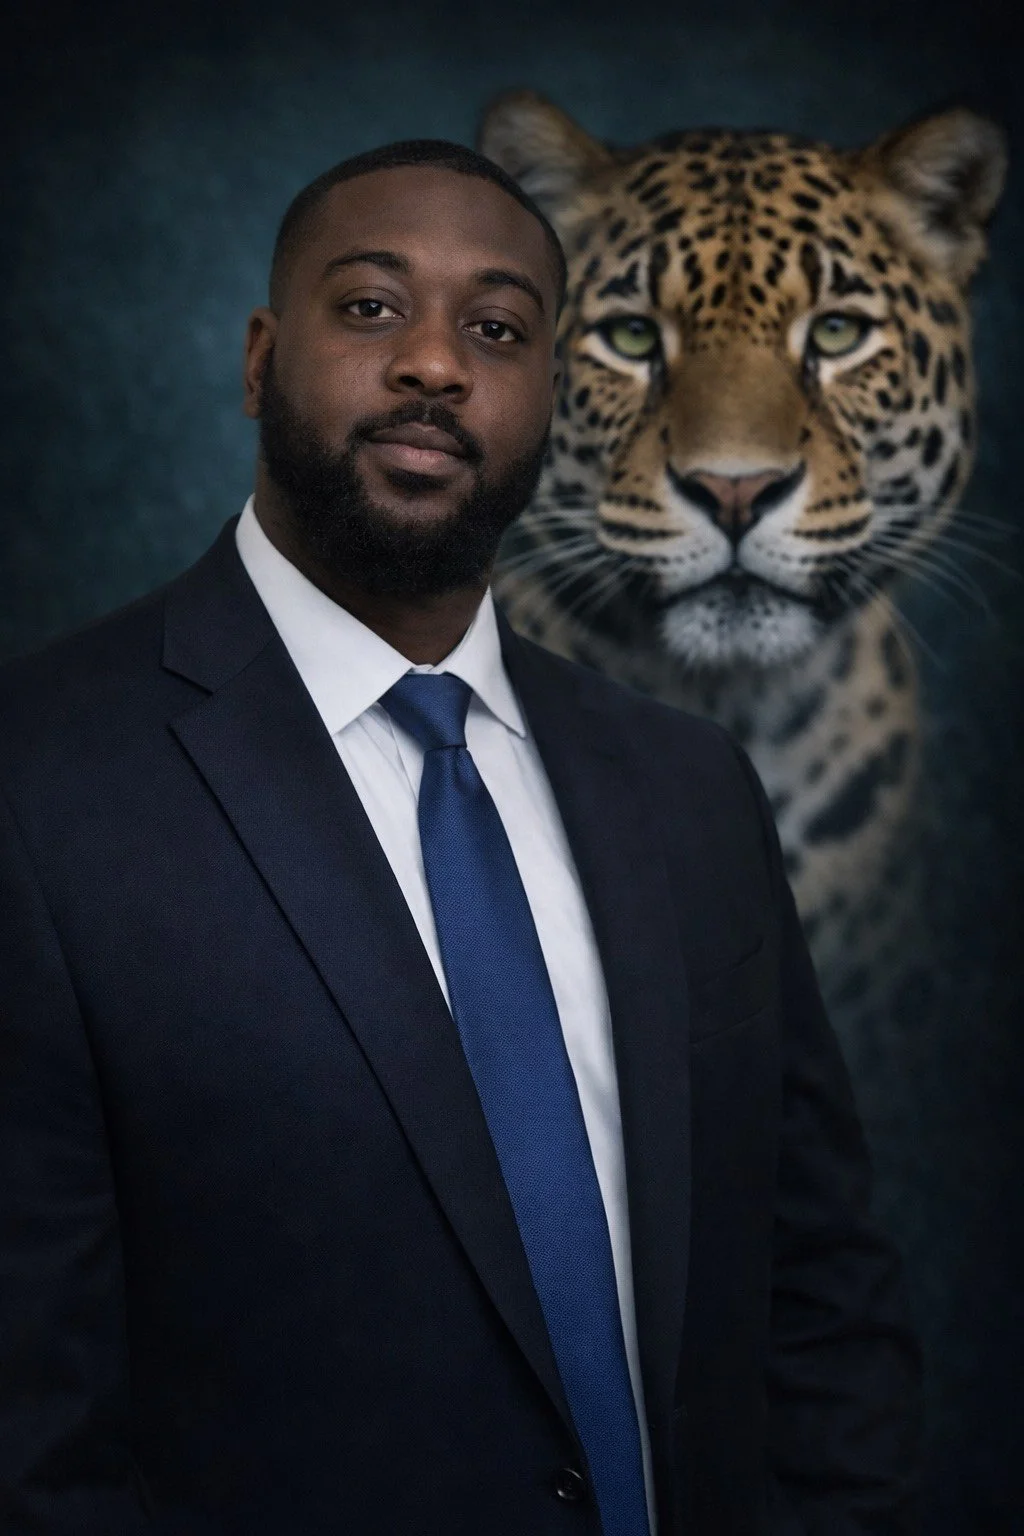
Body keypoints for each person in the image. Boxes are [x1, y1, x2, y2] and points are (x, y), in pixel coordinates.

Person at [0, 140, 922, 1536]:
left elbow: (819, 1295)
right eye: (371, 308)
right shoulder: (40, 776)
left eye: (497, 329)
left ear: (549, 400)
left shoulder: (691, 791)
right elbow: (31, 1424)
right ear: (259, 359)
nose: (436, 362)